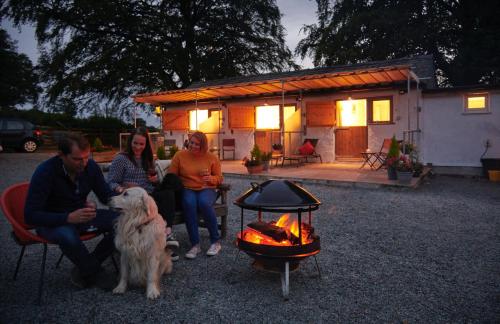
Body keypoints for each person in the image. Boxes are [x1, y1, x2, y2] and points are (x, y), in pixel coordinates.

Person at [24, 133, 119, 289]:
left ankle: (87, 266)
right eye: (77, 159)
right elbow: (30, 215)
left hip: (82, 216)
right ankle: (94, 272)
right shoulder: (46, 172)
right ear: (61, 155)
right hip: (53, 221)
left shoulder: (91, 167)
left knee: (124, 222)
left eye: (87, 157)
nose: (84, 163)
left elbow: (106, 196)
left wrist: (132, 200)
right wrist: (67, 217)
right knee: (66, 234)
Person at [106, 126, 180, 260]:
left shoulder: (148, 158)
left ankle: (167, 233)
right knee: (165, 197)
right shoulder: (121, 159)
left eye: (141, 144)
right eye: (135, 143)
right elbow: (111, 182)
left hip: (149, 194)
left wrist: (155, 180)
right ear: (130, 142)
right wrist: (121, 189)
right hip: (133, 198)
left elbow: (153, 182)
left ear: (146, 144)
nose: (138, 147)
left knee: (170, 185)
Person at [168, 131, 223, 259]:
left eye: (197, 144)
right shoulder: (180, 155)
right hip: (187, 188)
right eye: (191, 142)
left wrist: (211, 179)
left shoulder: (211, 157)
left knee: (204, 203)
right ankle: (195, 245)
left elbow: (220, 178)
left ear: (203, 146)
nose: (193, 146)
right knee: (189, 203)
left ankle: (215, 242)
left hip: (207, 188)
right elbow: (171, 176)